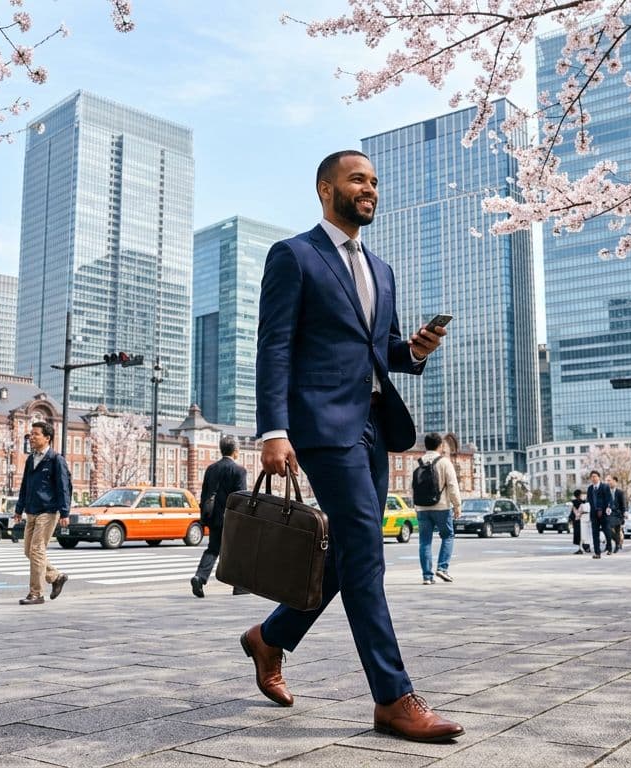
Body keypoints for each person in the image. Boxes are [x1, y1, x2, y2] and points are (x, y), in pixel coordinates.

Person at [242, 150, 461, 743]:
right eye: (356, 179)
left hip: (371, 423)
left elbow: (382, 351)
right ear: (325, 188)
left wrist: (413, 350)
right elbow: (275, 347)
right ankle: (393, 697)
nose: (369, 189)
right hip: (320, 424)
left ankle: (271, 637)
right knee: (365, 546)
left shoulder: (382, 270)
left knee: (347, 549)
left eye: (374, 182)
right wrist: (273, 430)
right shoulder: (295, 255)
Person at [11, 421, 72, 605]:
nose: (31, 437)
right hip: (31, 510)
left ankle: (36, 593)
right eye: (31, 434)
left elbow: (64, 487)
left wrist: (64, 512)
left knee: (37, 550)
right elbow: (24, 486)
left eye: (36, 434)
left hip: (48, 511)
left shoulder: (55, 459)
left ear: (47, 438)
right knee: (29, 551)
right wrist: (18, 509)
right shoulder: (31, 459)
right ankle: (56, 576)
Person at [191, 434, 248, 597]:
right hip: (231, 518)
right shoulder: (239, 470)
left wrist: (204, 517)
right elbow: (240, 497)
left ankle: (199, 577)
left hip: (213, 517)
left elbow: (204, 494)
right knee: (236, 551)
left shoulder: (211, 469)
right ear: (236, 451)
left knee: (213, 549)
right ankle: (239, 586)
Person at [412, 432, 462, 585]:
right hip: (441, 506)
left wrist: (416, 506)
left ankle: (427, 577)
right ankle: (442, 568)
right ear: (440, 446)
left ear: (425, 446)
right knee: (447, 536)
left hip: (422, 508)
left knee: (424, 542)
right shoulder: (444, 462)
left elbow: (412, 487)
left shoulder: (417, 462)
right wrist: (457, 505)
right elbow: (452, 486)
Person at [607, 475, 627, 553]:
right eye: (607, 481)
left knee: (617, 530)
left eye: (610, 481)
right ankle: (618, 543)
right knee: (607, 529)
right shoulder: (606, 492)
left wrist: (624, 514)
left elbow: (623, 505)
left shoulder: (620, 492)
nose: (608, 482)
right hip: (608, 514)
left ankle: (617, 546)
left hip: (618, 515)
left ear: (615, 481)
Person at [569, 489, 587, 554]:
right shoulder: (583, 502)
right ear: (580, 495)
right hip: (583, 520)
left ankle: (580, 548)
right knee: (584, 535)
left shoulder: (573, 502)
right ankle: (585, 547)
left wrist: (571, 519)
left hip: (576, 521)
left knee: (578, 535)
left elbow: (571, 512)